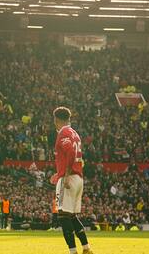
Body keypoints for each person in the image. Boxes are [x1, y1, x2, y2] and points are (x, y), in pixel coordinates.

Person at [51, 107, 93, 254]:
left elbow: (70, 151)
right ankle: (86, 248)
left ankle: (73, 251)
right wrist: (59, 173)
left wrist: (66, 175)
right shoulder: (75, 133)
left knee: (62, 215)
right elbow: (74, 155)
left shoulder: (63, 133)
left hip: (69, 178)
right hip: (78, 178)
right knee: (72, 216)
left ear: (56, 120)